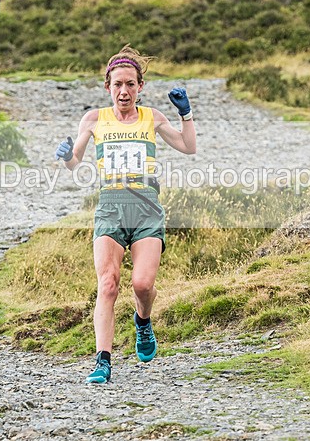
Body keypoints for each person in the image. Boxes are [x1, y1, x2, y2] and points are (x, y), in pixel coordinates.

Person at [55, 45, 196, 384]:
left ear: (140, 86)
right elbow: (75, 163)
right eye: (117, 84)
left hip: (146, 207)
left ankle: (143, 322)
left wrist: (186, 115)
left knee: (143, 285)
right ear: (108, 87)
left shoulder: (152, 117)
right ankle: (102, 361)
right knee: (108, 284)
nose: (124, 91)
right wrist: (67, 155)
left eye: (130, 84)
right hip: (111, 206)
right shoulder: (94, 119)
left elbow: (188, 147)